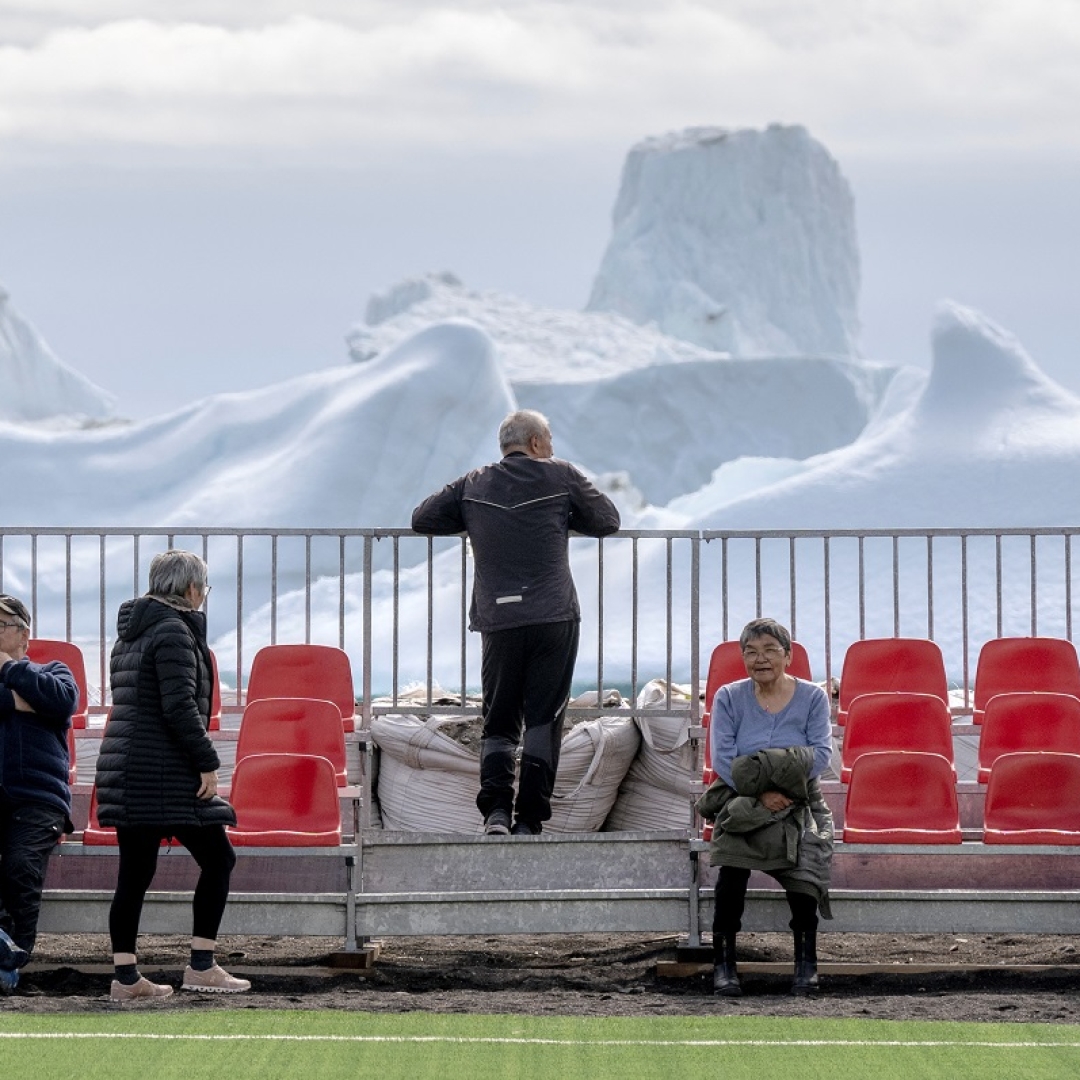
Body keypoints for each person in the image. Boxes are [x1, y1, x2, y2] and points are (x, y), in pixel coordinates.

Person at [412, 409, 620, 836]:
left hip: (500, 618)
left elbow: (422, 519)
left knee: (500, 719)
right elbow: (607, 521)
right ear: (538, 444)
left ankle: (495, 814)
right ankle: (529, 820)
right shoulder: (560, 475)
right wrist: (564, 517)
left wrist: (473, 519)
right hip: (553, 616)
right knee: (544, 718)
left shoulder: (473, 483)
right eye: (550, 440)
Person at [95, 550, 250, 1001]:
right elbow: (179, 707)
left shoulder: (129, 636)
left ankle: (125, 980)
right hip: (161, 772)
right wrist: (208, 762)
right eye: (205, 587)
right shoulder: (174, 633)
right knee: (219, 858)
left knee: (134, 873)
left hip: (128, 768)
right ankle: (201, 964)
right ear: (191, 589)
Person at [698, 617, 834, 997]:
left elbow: (821, 755)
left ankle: (806, 966)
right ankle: (724, 966)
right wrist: (760, 794)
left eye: (771, 651)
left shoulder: (813, 697)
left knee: (805, 862)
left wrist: (776, 779)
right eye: (752, 652)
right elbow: (724, 759)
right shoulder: (728, 697)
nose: (761, 660)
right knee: (732, 868)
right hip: (743, 797)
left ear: (787, 657)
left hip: (799, 799)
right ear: (743, 658)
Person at [0, 595, 78, 994]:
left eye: (1, 624)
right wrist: (20, 702)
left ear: (23, 635)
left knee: (19, 864)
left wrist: (9, 670)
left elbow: (62, 702)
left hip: (38, 798)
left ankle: (12, 956)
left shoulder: (53, 671)